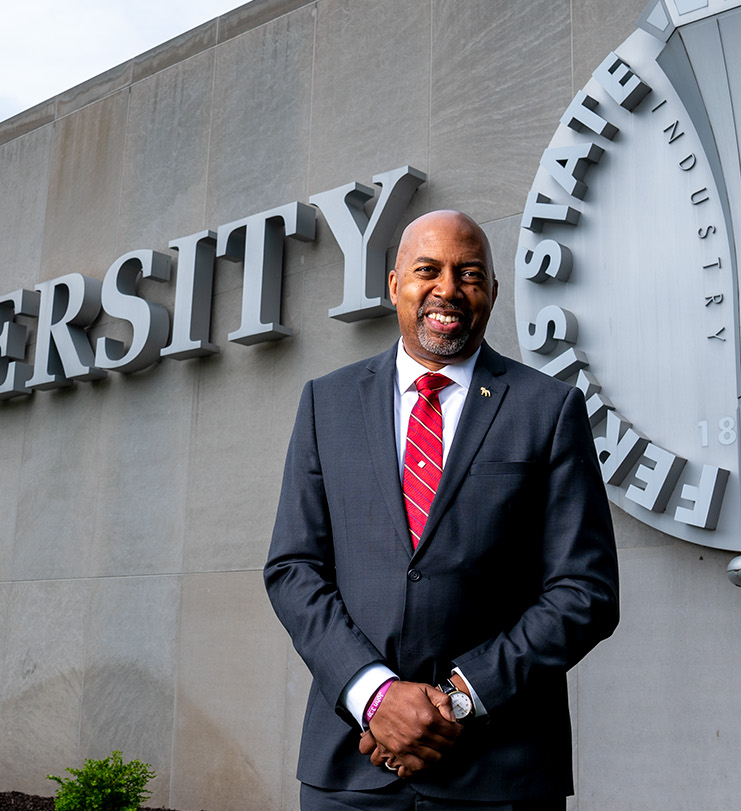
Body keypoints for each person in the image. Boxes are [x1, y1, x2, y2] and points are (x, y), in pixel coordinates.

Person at [264, 209, 620, 810]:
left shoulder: (549, 409)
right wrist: (376, 697)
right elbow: (294, 568)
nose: (448, 290)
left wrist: (455, 698)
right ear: (394, 282)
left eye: (470, 273)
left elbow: (584, 591)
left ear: (493, 292)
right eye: (428, 269)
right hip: (351, 768)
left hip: (501, 771)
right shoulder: (327, 404)